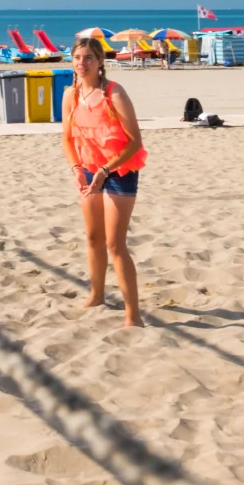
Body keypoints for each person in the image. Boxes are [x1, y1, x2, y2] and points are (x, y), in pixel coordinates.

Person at [63, 34, 147, 327]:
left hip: (119, 171)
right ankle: (97, 294)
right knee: (93, 238)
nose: (81, 63)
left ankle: (132, 315)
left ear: (100, 62)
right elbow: (67, 139)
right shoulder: (70, 94)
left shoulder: (115, 93)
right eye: (77, 58)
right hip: (87, 169)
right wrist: (76, 167)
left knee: (115, 244)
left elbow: (135, 142)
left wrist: (105, 170)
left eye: (88, 58)